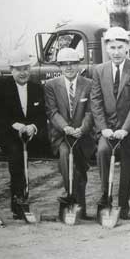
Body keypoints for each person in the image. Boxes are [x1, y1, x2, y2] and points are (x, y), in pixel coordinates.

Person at [90, 26, 130, 220]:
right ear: (106, 48)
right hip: (107, 130)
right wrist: (103, 128)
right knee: (103, 151)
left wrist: (125, 129)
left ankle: (123, 204)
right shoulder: (98, 70)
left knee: (129, 166)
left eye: (120, 47)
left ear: (127, 47)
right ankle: (106, 197)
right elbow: (95, 101)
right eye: (112, 47)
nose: (116, 52)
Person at [0, 49, 48, 219]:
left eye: (26, 68)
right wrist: (16, 126)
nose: (23, 73)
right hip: (10, 133)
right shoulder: (1, 86)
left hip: (31, 133)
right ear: (11, 70)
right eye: (18, 69)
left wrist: (33, 127)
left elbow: (42, 115)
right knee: (16, 160)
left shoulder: (37, 88)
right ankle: (18, 205)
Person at [44, 48, 95, 219]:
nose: (69, 67)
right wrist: (66, 128)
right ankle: (71, 199)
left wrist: (82, 129)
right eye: (64, 64)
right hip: (62, 135)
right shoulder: (51, 86)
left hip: (83, 136)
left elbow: (90, 112)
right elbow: (52, 112)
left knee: (80, 170)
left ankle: (80, 208)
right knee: (66, 157)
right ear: (59, 66)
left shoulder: (89, 84)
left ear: (78, 64)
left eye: (72, 63)